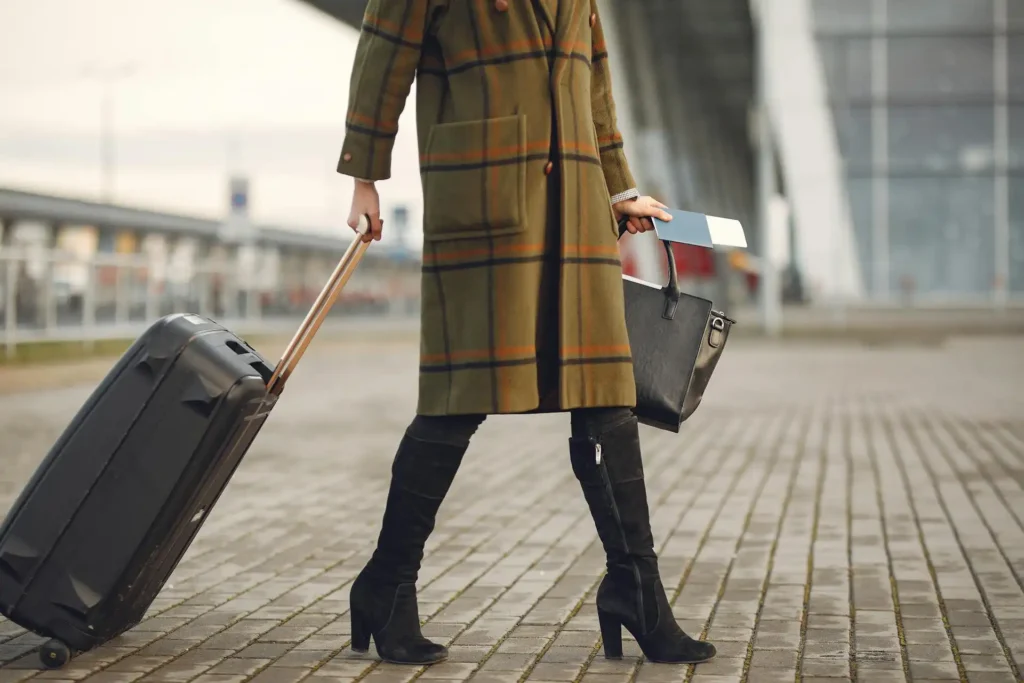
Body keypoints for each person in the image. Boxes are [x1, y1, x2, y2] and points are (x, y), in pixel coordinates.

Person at [336, 0, 717, 667]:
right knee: (458, 398)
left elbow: (595, 79)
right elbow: (382, 49)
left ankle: (637, 590)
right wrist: (365, 174)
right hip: (487, 196)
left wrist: (622, 187)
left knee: (606, 397)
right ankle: (386, 582)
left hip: (578, 203)